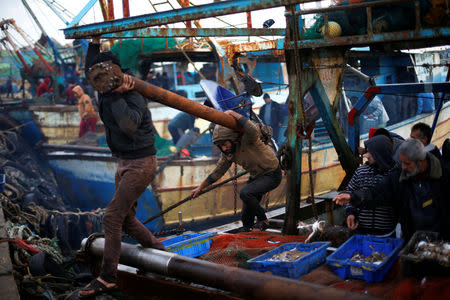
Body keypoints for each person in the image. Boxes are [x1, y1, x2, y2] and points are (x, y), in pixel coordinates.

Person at [79, 37, 166, 298]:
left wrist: (118, 96)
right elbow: (91, 68)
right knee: (126, 220)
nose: (98, 80)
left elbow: (130, 126)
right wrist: (94, 45)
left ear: (115, 74)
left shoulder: (132, 93)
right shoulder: (101, 86)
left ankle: (108, 278)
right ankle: (162, 256)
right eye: (96, 76)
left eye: (103, 75)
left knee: (112, 217)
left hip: (141, 164)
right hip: (125, 162)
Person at [333, 138, 450, 241]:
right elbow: (376, 193)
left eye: (407, 163)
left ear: (420, 162)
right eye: (402, 162)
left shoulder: (443, 176)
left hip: (440, 239)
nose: (403, 167)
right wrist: (351, 197)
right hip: (412, 239)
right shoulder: (399, 176)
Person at [191, 110, 282, 232]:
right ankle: (247, 230)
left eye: (225, 144)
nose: (223, 148)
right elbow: (217, 172)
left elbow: (252, 128)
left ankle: (263, 220)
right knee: (246, 215)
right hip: (257, 177)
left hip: (272, 174)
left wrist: (231, 113)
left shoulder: (248, 139)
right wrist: (200, 188)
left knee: (245, 193)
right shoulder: (228, 154)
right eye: (220, 146)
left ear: (232, 139)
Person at [343, 135, 398, 236]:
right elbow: (349, 192)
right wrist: (350, 213)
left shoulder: (394, 174)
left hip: (386, 233)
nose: (366, 155)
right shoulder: (361, 171)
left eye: (370, 153)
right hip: (361, 231)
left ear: (380, 154)